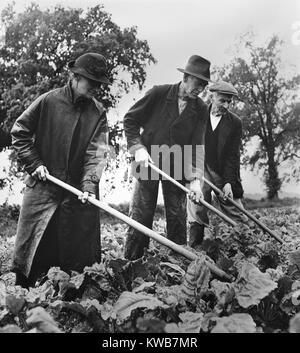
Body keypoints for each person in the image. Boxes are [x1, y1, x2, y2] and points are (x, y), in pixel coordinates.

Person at [11, 52, 110, 288]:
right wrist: (35, 164)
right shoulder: (48, 101)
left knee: (76, 257)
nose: (96, 87)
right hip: (42, 187)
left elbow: (97, 154)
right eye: (92, 81)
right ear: (75, 77)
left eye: (99, 83)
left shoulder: (98, 113)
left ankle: (67, 298)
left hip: (76, 192)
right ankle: (23, 298)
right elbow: (20, 132)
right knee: (32, 251)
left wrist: (88, 185)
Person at [123, 55, 211, 260]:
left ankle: (178, 266)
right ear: (187, 77)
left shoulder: (201, 108)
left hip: (177, 164)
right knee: (141, 214)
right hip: (147, 160)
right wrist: (137, 148)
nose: (201, 89)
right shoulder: (158, 93)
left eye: (204, 85)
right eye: (199, 83)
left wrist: (196, 180)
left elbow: (197, 145)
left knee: (177, 217)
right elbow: (130, 120)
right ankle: (132, 263)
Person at [187, 81, 248, 247]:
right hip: (198, 166)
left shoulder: (235, 123)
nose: (227, 105)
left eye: (229, 101)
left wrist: (228, 182)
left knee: (234, 208)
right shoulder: (196, 116)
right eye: (223, 100)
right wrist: (193, 180)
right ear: (212, 96)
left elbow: (232, 155)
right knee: (197, 202)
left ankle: (245, 244)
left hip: (221, 171)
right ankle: (195, 246)